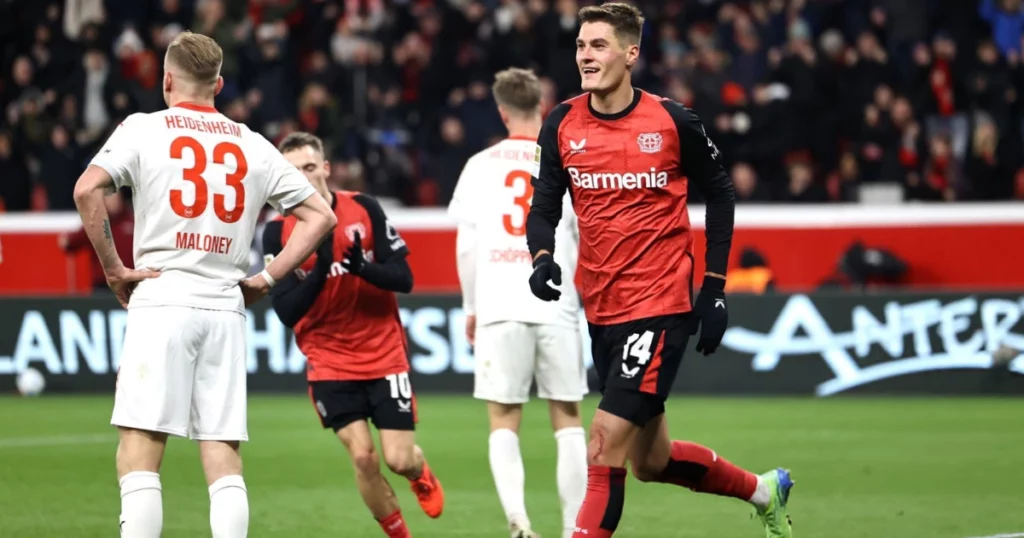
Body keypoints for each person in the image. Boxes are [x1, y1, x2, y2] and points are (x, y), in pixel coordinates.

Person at [524, 4, 795, 538]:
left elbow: (719, 193)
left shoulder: (672, 120)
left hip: (660, 305)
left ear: (631, 53)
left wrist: (714, 290)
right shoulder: (561, 123)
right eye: (581, 46)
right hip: (601, 310)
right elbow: (543, 206)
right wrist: (542, 258)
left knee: (600, 445)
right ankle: (765, 490)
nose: (586, 56)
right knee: (652, 461)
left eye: (598, 45)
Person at [72, 31, 337, 538]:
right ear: (218, 84)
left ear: (167, 80)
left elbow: (88, 188)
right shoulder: (252, 143)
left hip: (162, 298)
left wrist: (114, 268)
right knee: (222, 456)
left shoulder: (144, 129)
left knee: (140, 454)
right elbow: (320, 217)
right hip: (225, 307)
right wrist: (266, 277)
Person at [262, 132, 444, 538]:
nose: (304, 178)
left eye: (310, 168)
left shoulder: (363, 208)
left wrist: (362, 267)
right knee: (363, 457)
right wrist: (324, 267)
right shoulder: (277, 234)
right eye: (292, 172)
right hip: (329, 363)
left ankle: (419, 471)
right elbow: (287, 311)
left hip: (383, 355)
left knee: (398, 459)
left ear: (325, 168)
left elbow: (405, 279)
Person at [448, 67, 588, 538]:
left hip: (499, 304)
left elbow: (466, 248)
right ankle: (574, 530)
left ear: (502, 110)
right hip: (556, 303)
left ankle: (519, 522)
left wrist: (471, 306)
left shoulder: (478, 166)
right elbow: (584, 239)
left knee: (503, 420)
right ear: (542, 108)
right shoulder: (566, 161)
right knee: (567, 418)